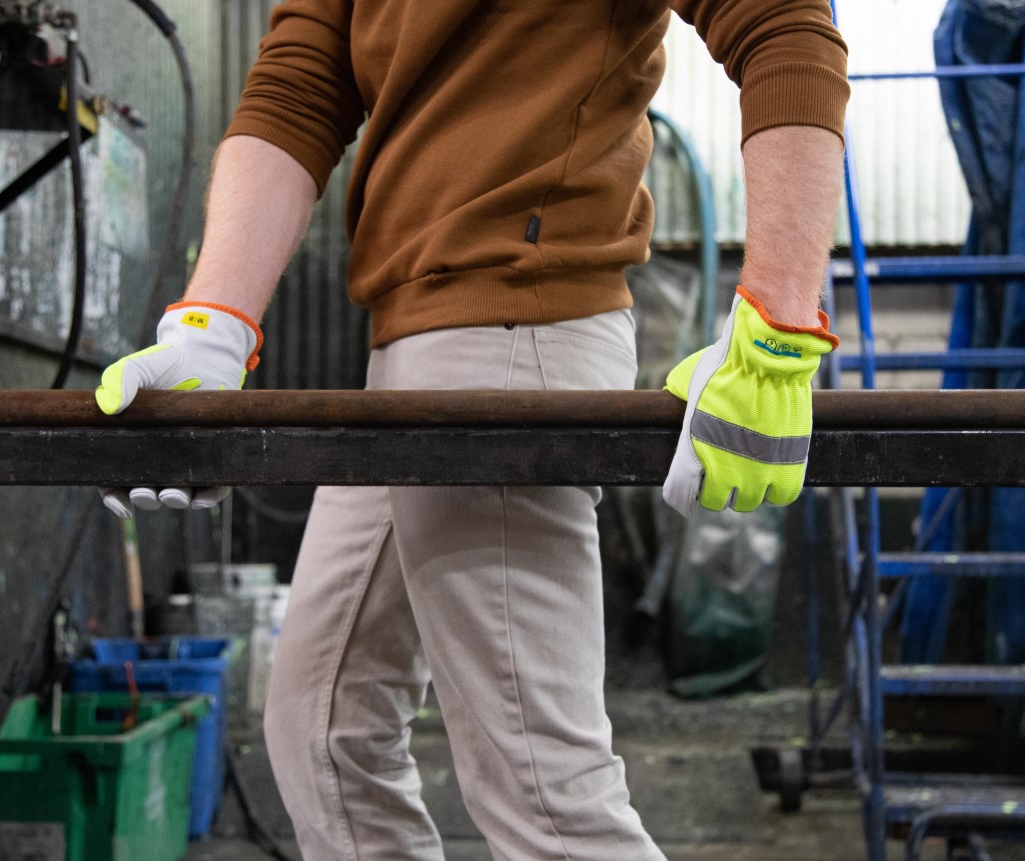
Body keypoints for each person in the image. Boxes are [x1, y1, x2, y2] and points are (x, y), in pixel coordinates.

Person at [95, 1, 849, 857]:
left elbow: (786, 26)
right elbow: (301, 83)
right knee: (324, 730)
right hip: (405, 346)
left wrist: (779, 325)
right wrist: (211, 327)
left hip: (511, 322)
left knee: (544, 797)